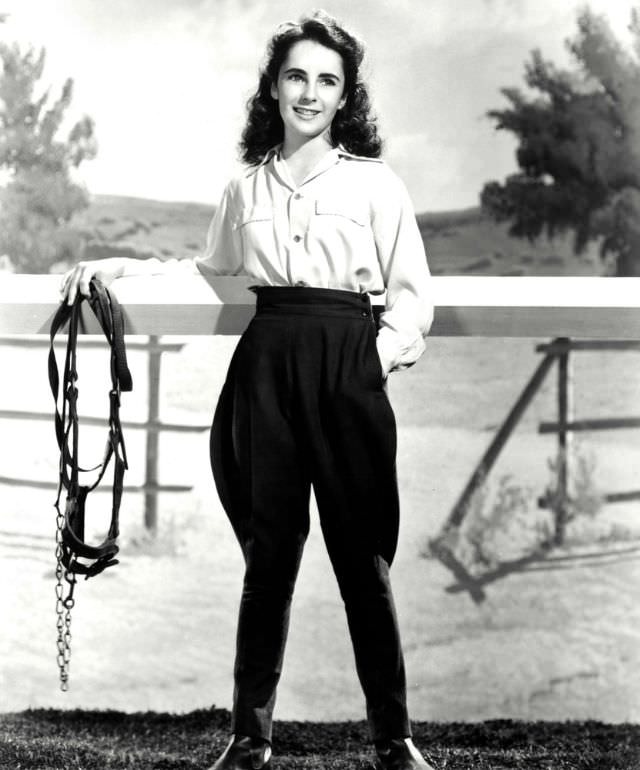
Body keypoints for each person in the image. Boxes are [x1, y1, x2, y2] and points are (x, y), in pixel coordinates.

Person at [61, 10, 436, 770]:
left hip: (346, 364)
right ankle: (249, 736)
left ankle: (394, 739)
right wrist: (118, 271)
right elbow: (209, 270)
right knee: (269, 558)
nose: (310, 92)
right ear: (273, 86)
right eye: (296, 75)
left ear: (343, 98)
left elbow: (412, 296)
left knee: (362, 558)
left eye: (326, 80)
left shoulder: (374, 184)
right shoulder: (244, 185)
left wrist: (373, 360)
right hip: (266, 365)